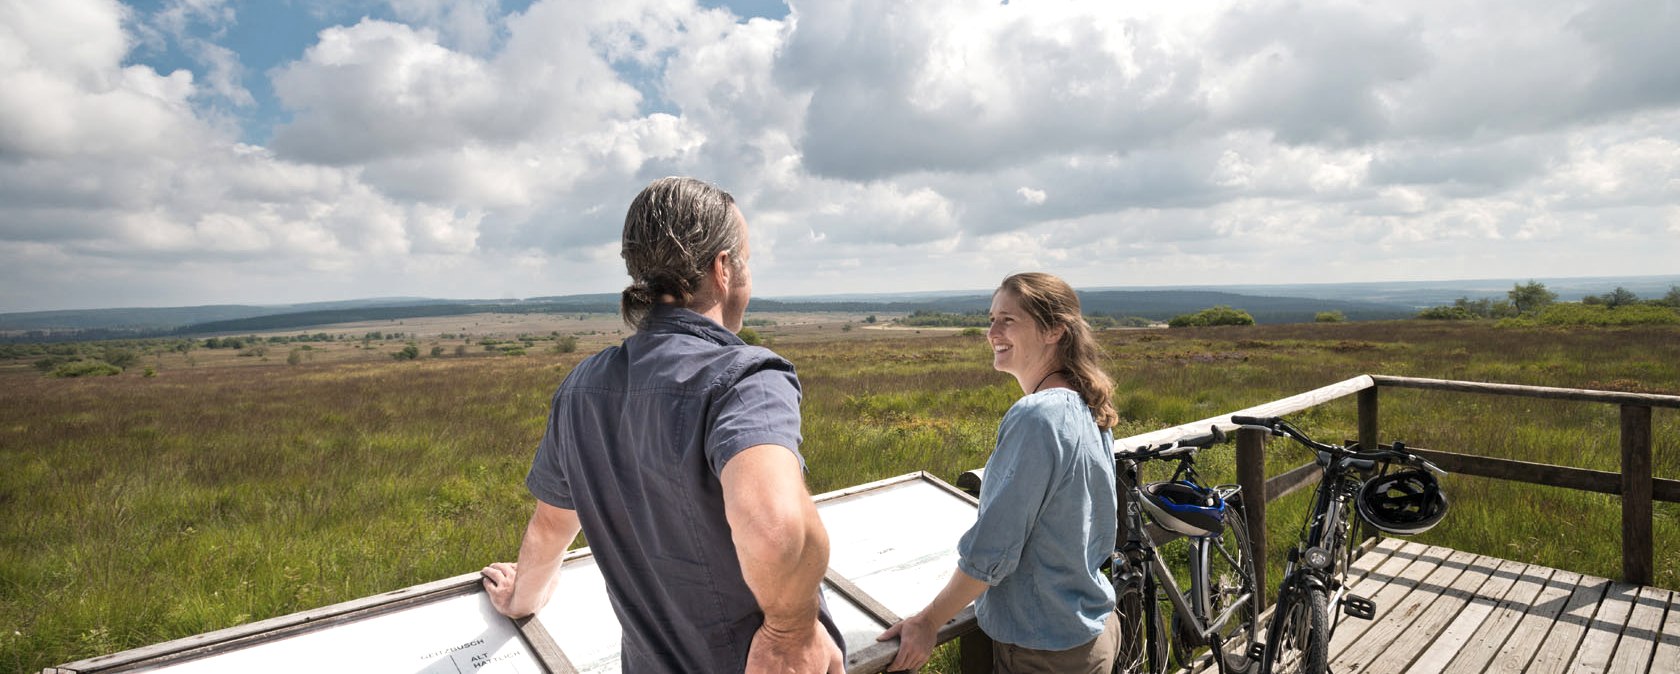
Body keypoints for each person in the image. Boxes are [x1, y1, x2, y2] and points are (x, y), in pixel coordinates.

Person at [481, 177, 845, 673]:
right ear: (722, 269)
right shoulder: (746, 379)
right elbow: (775, 529)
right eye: (746, 261)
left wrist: (521, 600)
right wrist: (790, 631)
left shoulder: (581, 388)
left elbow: (551, 526)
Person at [877, 272, 1121, 673]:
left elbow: (994, 550)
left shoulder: (1038, 416)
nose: (992, 331)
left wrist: (927, 622)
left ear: (1054, 330)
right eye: (991, 319)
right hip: (1088, 628)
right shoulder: (1084, 406)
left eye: (1008, 320)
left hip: (1044, 649)